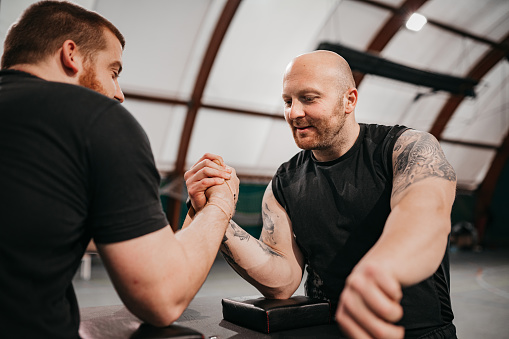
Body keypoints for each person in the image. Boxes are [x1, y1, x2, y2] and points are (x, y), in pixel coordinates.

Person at [0, 1, 238, 338]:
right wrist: (220, 204)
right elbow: (162, 297)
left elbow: (61, 232)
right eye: (113, 72)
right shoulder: (96, 120)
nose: (118, 94)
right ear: (72, 54)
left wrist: (192, 218)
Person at [186, 50, 457, 338]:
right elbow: (282, 280)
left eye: (309, 98)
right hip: (328, 330)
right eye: (288, 101)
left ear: (349, 100)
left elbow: (425, 214)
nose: (294, 113)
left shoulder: (406, 148)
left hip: (418, 332)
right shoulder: (284, 182)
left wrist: (382, 268)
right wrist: (216, 216)